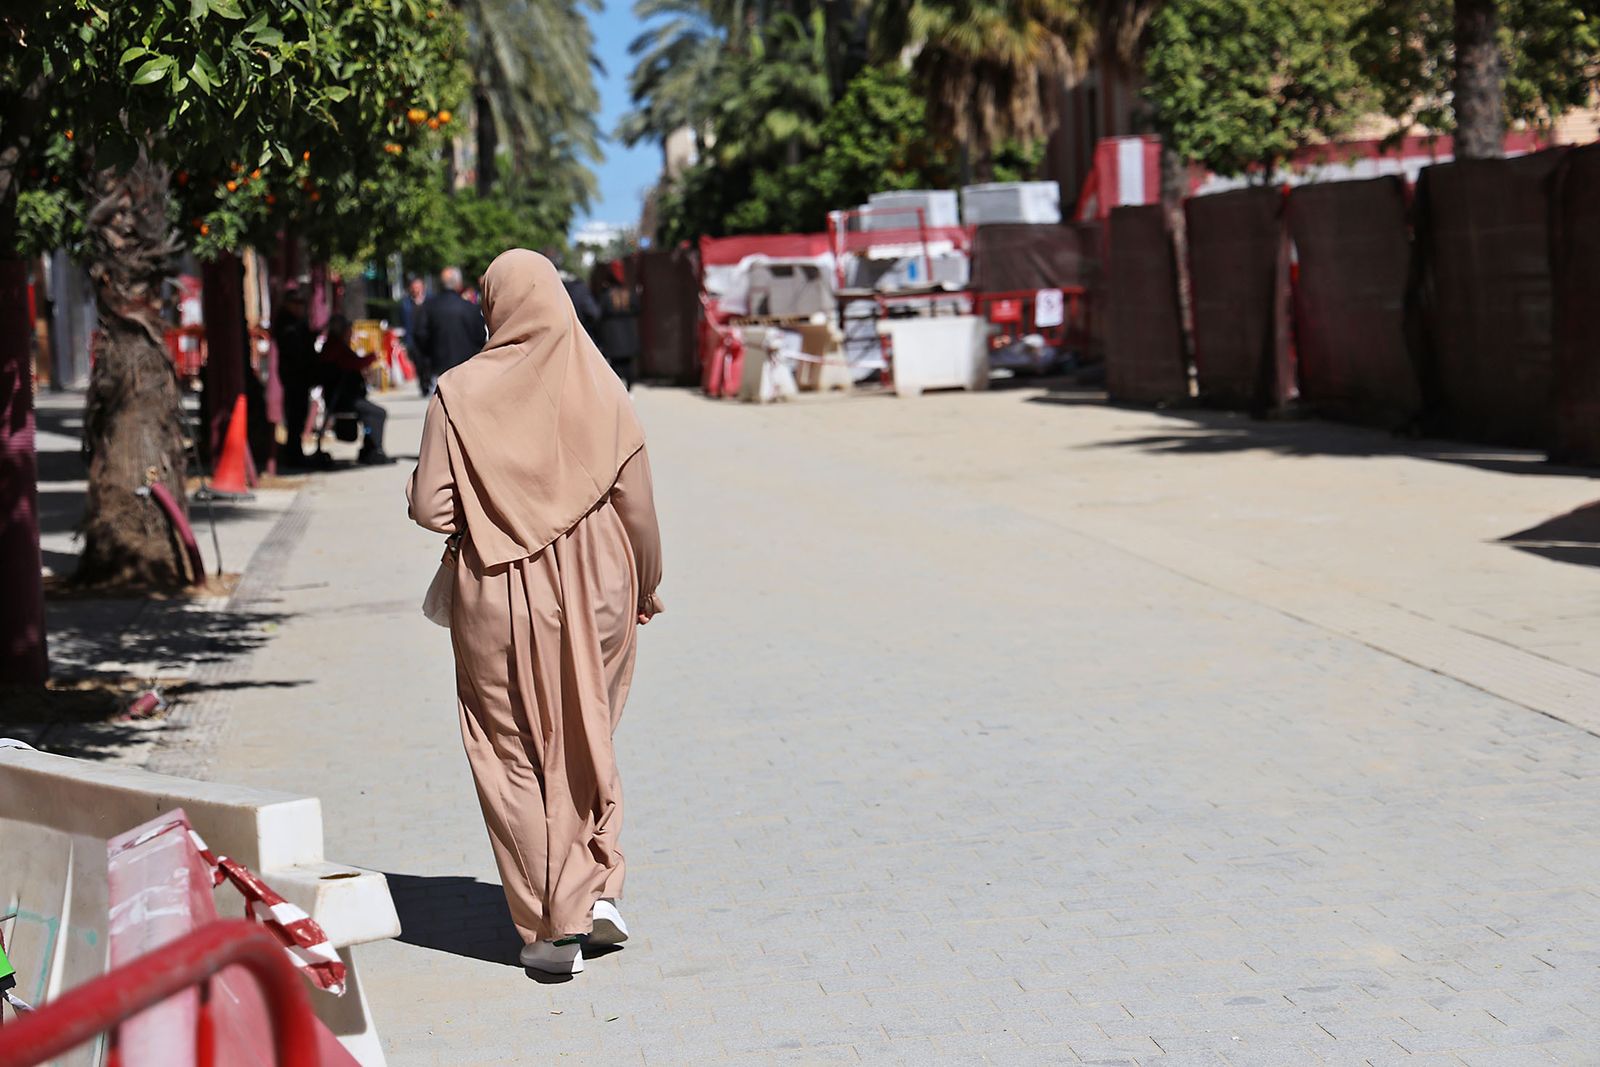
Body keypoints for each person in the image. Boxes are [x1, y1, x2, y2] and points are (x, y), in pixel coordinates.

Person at [407, 249, 664, 976]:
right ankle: (598, 885)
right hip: (600, 584)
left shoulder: (457, 394)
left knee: (511, 750)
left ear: (495, 307)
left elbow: (430, 506)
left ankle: (553, 926)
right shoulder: (603, 385)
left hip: (497, 586)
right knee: (584, 730)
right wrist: (645, 584)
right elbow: (638, 508)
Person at [319, 314, 390, 465]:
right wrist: (372, 357)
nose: (351, 333)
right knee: (378, 413)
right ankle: (374, 450)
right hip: (343, 399)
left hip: (343, 397)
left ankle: (369, 448)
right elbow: (354, 363)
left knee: (371, 413)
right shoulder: (336, 347)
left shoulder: (334, 345)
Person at [413, 266, 486, 382]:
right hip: (466, 367)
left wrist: (429, 354)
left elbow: (420, 335)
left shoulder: (428, 307)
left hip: (438, 367)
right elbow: (480, 337)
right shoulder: (471, 309)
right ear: (459, 284)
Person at [272, 285, 316, 468]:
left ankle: (296, 452)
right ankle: (293, 455)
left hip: (301, 375)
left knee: (299, 415)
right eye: (296, 303)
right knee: (294, 416)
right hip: (293, 375)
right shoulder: (286, 323)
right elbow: (294, 348)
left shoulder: (298, 322)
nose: (300, 308)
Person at [596, 261, 641, 389]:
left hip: (612, 336)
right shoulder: (629, 294)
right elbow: (637, 309)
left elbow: (600, 313)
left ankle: (618, 391)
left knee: (615, 366)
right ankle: (630, 389)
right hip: (628, 334)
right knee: (628, 365)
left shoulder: (606, 295)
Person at [399, 277, 430, 396]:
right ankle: (423, 385)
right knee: (418, 363)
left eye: (418, 286)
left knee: (428, 362)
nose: (416, 289)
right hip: (413, 338)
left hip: (427, 337)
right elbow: (403, 321)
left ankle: (428, 381)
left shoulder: (429, 300)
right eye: (414, 287)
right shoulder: (406, 303)